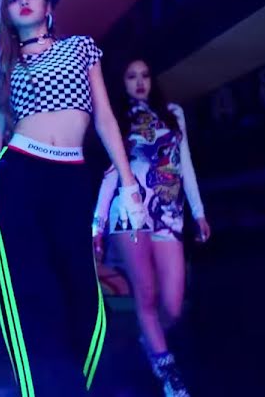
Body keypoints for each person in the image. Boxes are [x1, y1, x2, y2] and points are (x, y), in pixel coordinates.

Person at [0, 0, 147, 396]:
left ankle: (71, 387)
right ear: (6, 14)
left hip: (71, 179)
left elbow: (104, 119)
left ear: (47, 6)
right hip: (18, 178)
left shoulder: (80, 48)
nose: (24, 0)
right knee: (31, 295)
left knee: (80, 293)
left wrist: (130, 186)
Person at [92, 58, 212, 397]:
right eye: (131, 76)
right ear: (123, 83)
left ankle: (152, 339)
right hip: (130, 214)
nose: (139, 82)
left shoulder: (173, 114)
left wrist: (198, 212)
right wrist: (97, 224)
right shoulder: (118, 120)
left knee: (172, 304)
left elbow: (184, 165)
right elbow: (111, 173)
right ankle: (169, 373)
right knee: (145, 295)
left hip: (169, 215)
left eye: (144, 75)